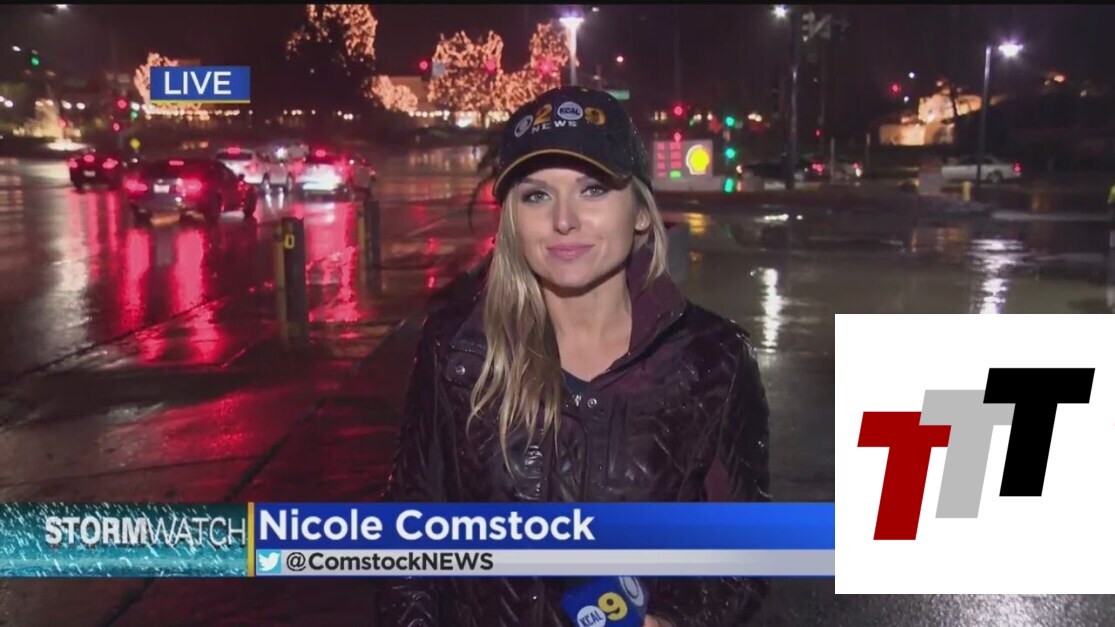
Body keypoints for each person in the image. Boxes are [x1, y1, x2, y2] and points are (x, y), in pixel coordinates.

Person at [377, 86, 771, 627]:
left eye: (593, 189)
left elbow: (744, 554)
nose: (564, 219)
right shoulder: (456, 352)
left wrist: (674, 621)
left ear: (640, 212)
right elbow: (407, 548)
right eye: (537, 195)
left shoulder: (713, 361)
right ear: (511, 218)